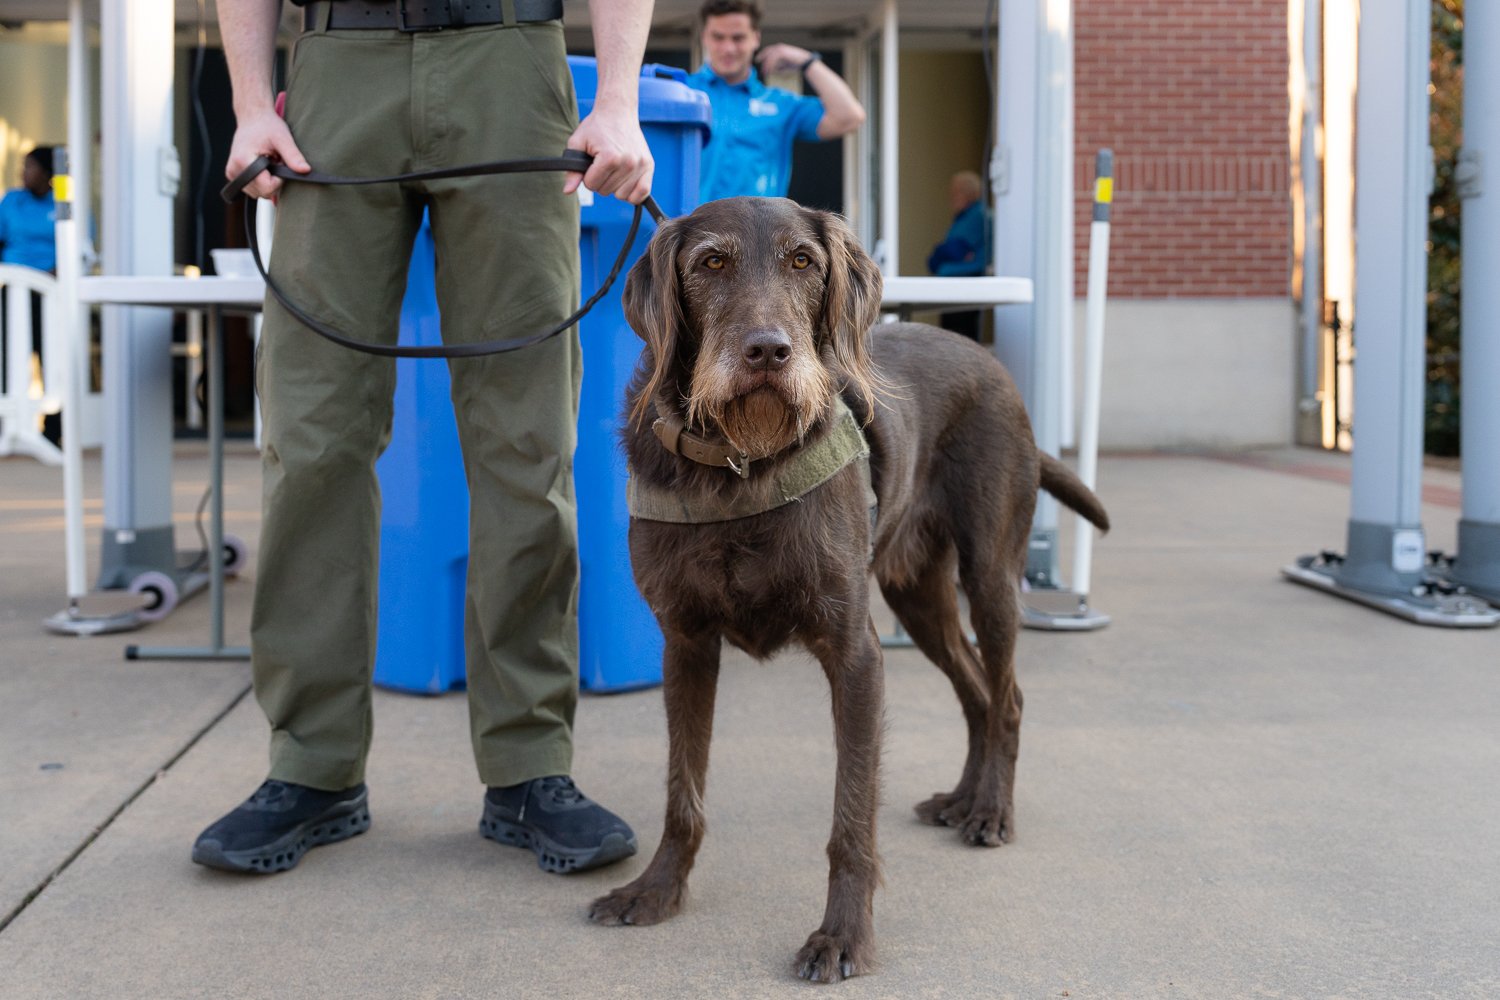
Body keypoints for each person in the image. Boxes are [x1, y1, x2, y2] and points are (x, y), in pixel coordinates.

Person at [194, 0, 655, 877]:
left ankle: (529, 766)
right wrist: (252, 103)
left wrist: (621, 97)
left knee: (527, 439)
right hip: (338, 66)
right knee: (313, 434)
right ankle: (313, 766)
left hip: (511, 61)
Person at [686, 0, 865, 202]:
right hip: (694, 228)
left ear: (756, 38)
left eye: (738, 38)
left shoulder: (779, 104)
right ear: (704, 38)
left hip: (759, 229)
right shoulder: (682, 93)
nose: (728, 48)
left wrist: (805, 60)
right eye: (718, 37)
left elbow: (850, 116)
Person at [926, 169, 992, 341]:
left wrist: (942, 254)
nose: (952, 198)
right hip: (956, 287)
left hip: (965, 288)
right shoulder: (964, 217)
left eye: (956, 193)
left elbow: (950, 252)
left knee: (958, 339)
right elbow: (936, 259)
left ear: (969, 194)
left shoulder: (977, 216)